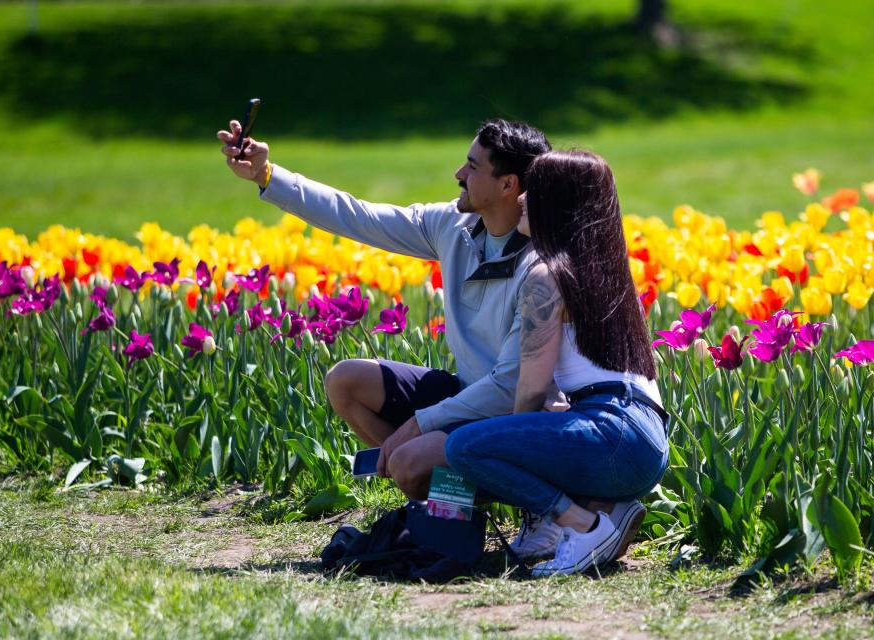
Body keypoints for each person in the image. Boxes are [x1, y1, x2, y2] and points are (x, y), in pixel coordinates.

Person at [218, 118, 549, 499]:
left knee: (416, 446)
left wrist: (421, 423)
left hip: (512, 419)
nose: (459, 174)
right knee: (345, 382)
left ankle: (456, 488)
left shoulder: (540, 265)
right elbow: (359, 216)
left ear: (508, 185)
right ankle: (444, 497)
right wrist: (267, 176)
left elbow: (510, 389)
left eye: (472, 167)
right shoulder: (451, 224)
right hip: (463, 393)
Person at [444, 149, 670, 575]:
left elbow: (529, 388)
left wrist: (515, 451)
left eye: (537, 190)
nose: (524, 198)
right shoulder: (607, 273)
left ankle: (582, 524)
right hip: (646, 441)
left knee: (463, 446)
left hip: (613, 433)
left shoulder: (546, 277)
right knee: (535, 429)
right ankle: (604, 510)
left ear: (561, 205)